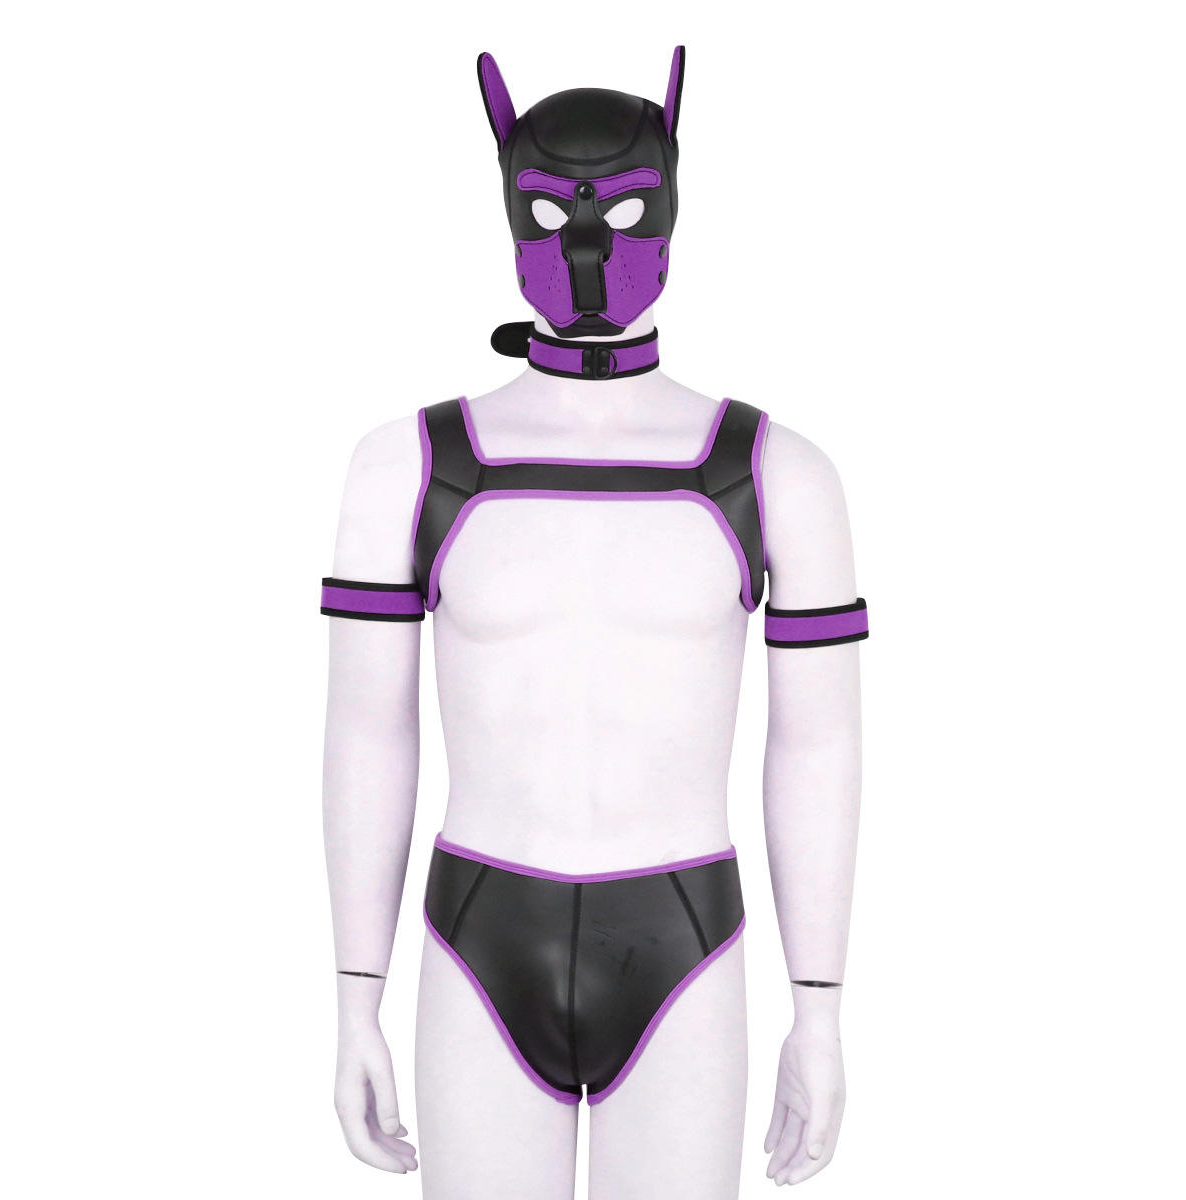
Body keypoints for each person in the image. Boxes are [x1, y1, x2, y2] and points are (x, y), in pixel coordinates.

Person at [321, 47, 867, 1198]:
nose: (582, 249)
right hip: (480, 935)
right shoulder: (410, 467)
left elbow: (817, 745)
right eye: (547, 213)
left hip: (683, 940)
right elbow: (368, 732)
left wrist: (819, 1010)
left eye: (617, 211)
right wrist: (352, 999)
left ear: (670, 204)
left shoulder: (773, 473)